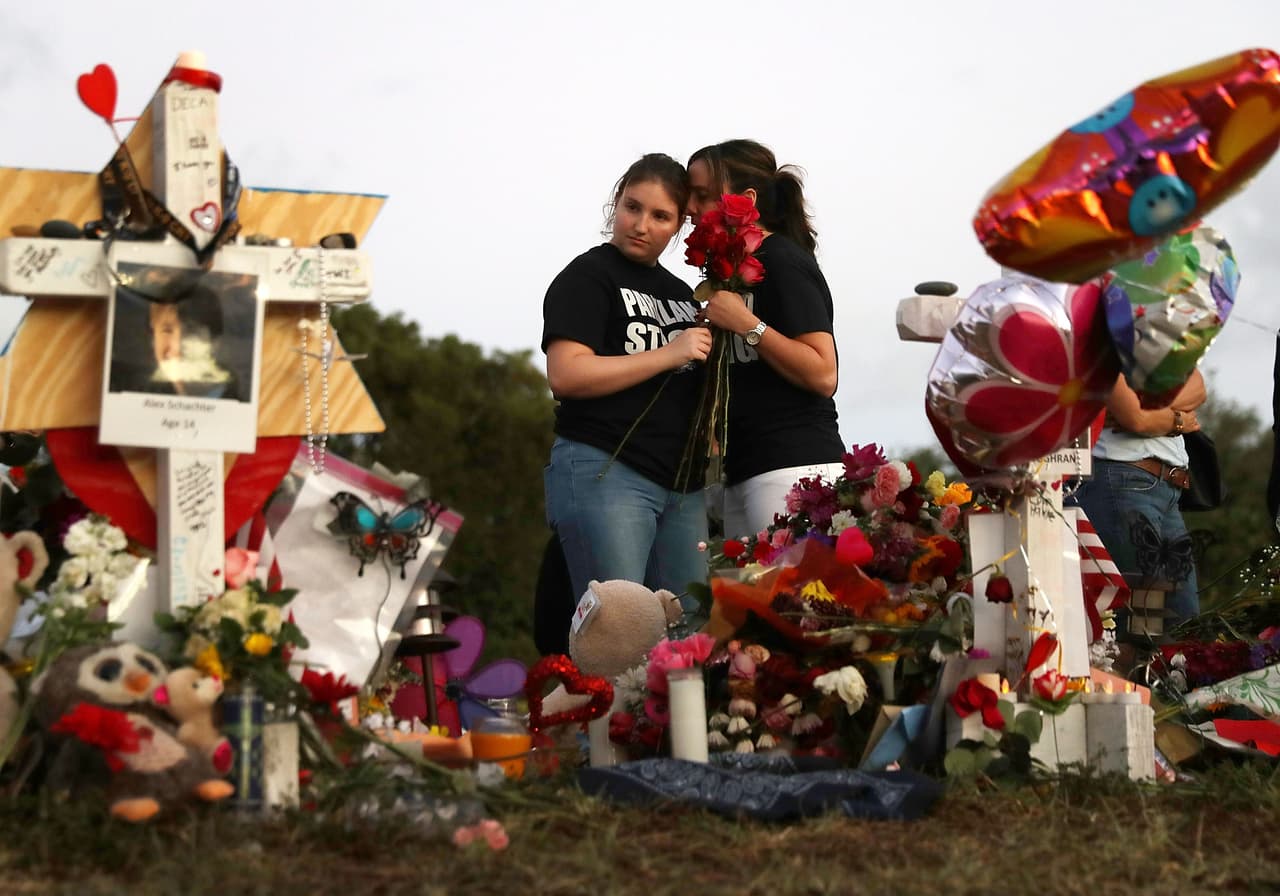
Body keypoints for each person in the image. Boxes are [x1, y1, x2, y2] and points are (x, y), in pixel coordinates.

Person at [541, 153, 714, 616]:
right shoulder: (588, 276)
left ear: (679, 226)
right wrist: (669, 354)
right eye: (632, 207)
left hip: (683, 484)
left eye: (660, 216)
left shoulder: (685, 294)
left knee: (689, 633)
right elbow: (566, 374)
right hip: (607, 469)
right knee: (620, 632)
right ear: (616, 203)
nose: (641, 224)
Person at [685, 139, 844, 538]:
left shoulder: (781, 260)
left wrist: (746, 324)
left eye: (702, 196)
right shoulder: (730, 274)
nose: (690, 208)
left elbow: (824, 374)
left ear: (746, 199)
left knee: (791, 600)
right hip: (745, 471)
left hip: (794, 468)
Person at [1070, 370, 1207, 628]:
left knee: (1184, 623)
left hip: (1162, 488)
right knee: (1138, 627)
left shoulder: (1159, 336)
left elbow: (1198, 388)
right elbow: (1135, 420)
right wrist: (1177, 420)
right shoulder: (1105, 334)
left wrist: (1148, 410)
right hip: (1123, 481)